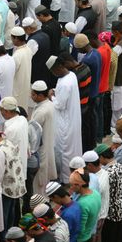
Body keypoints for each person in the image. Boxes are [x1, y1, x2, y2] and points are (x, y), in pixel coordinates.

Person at [46, 55, 82, 183]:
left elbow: (60, 105)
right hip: (70, 118)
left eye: (54, 71)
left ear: (60, 67)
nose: (54, 74)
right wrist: (55, 91)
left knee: (64, 151)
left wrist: (51, 97)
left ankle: (66, 179)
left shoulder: (66, 82)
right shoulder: (70, 75)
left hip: (64, 122)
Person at [11, 26, 33, 109]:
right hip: (25, 84)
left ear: (16, 38)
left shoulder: (17, 55)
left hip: (17, 86)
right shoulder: (28, 49)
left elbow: (12, 72)